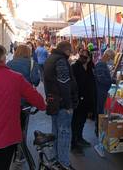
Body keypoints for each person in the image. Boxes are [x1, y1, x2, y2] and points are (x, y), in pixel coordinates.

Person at [44, 41, 78, 170]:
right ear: (67, 51)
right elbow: (64, 83)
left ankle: (55, 160)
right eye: (70, 51)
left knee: (56, 132)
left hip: (54, 101)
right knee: (64, 132)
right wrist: (69, 105)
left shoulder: (51, 59)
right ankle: (64, 162)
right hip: (62, 103)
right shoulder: (60, 61)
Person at [71, 49, 96, 154]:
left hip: (87, 100)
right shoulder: (74, 67)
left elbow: (92, 84)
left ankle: (80, 138)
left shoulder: (90, 68)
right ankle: (73, 144)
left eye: (85, 56)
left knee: (82, 121)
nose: (82, 58)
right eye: (81, 55)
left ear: (89, 58)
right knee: (75, 122)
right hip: (78, 99)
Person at [94, 49, 115, 136]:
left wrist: (112, 80)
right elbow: (101, 79)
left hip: (102, 91)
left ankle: (99, 128)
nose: (111, 60)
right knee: (99, 110)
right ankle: (99, 129)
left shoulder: (102, 63)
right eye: (111, 58)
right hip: (100, 91)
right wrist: (111, 81)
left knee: (100, 110)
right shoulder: (101, 64)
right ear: (107, 56)